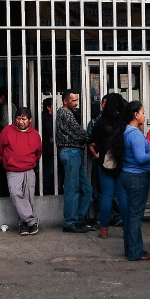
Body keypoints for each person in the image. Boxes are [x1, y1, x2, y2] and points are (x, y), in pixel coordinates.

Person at [120, 101, 150, 262]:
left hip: (128, 174)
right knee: (135, 215)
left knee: (130, 214)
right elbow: (141, 157)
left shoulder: (127, 132)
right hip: (137, 176)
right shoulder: (134, 134)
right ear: (135, 115)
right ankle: (135, 252)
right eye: (142, 112)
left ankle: (131, 248)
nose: (144, 115)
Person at [0, 107, 43, 234]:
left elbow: (38, 152)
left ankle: (24, 224)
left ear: (30, 120)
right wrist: (8, 161)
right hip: (12, 170)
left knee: (28, 197)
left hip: (29, 169)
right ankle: (32, 220)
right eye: (18, 118)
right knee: (15, 193)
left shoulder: (35, 134)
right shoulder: (7, 131)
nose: (21, 121)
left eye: (23, 119)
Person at [89, 93, 127, 237]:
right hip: (121, 161)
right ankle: (125, 227)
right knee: (122, 194)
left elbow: (93, 142)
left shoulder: (100, 122)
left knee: (106, 195)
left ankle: (104, 230)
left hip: (104, 161)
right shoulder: (123, 122)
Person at [56, 89, 94, 233]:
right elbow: (77, 130)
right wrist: (90, 138)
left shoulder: (66, 113)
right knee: (73, 189)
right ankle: (70, 222)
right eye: (74, 100)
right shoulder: (65, 113)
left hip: (75, 153)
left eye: (77, 100)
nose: (76, 103)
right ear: (66, 101)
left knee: (87, 189)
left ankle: (78, 219)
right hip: (70, 152)